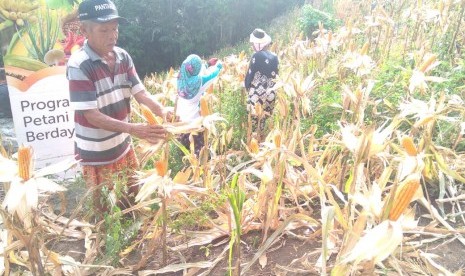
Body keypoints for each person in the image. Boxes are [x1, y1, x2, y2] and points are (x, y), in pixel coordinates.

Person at [67, 0, 173, 214]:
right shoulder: (79, 65)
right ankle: (108, 243)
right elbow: (91, 115)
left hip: (122, 143)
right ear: (85, 30)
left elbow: (140, 93)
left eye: (115, 28)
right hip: (97, 151)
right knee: (107, 210)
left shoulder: (123, 56)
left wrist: (162, 110)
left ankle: (135, 233)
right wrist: (135, 129)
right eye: (104, 29)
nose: (112, 35)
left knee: (131, 199)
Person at [177, 54, 222, 156]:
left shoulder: (180, 77)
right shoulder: (199, 82)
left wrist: (208, 64)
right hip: (195, 123)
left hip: (181, 124)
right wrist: (219, 66)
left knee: (185, 154)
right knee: (201, 154)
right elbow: (213, 75)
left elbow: (194, 70)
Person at [244, 28, 279, 138]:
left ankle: (254, 145)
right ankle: (262, 140)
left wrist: (247, 85)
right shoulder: (275, 57)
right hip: (271, 94)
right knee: (264, 119)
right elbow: (276, 76)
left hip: (258, 95)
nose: (252, 46)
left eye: (253, 43)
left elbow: (250, 74)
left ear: (258, 44)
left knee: (254, 121)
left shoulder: (256, 56)